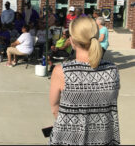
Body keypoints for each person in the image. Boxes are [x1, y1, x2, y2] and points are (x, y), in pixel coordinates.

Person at [49, 17, 120, 145]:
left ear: (72, 41)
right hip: (103, 139)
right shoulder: (112, 70)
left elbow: (55, 108)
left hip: (68, 139)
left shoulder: (62, 71)